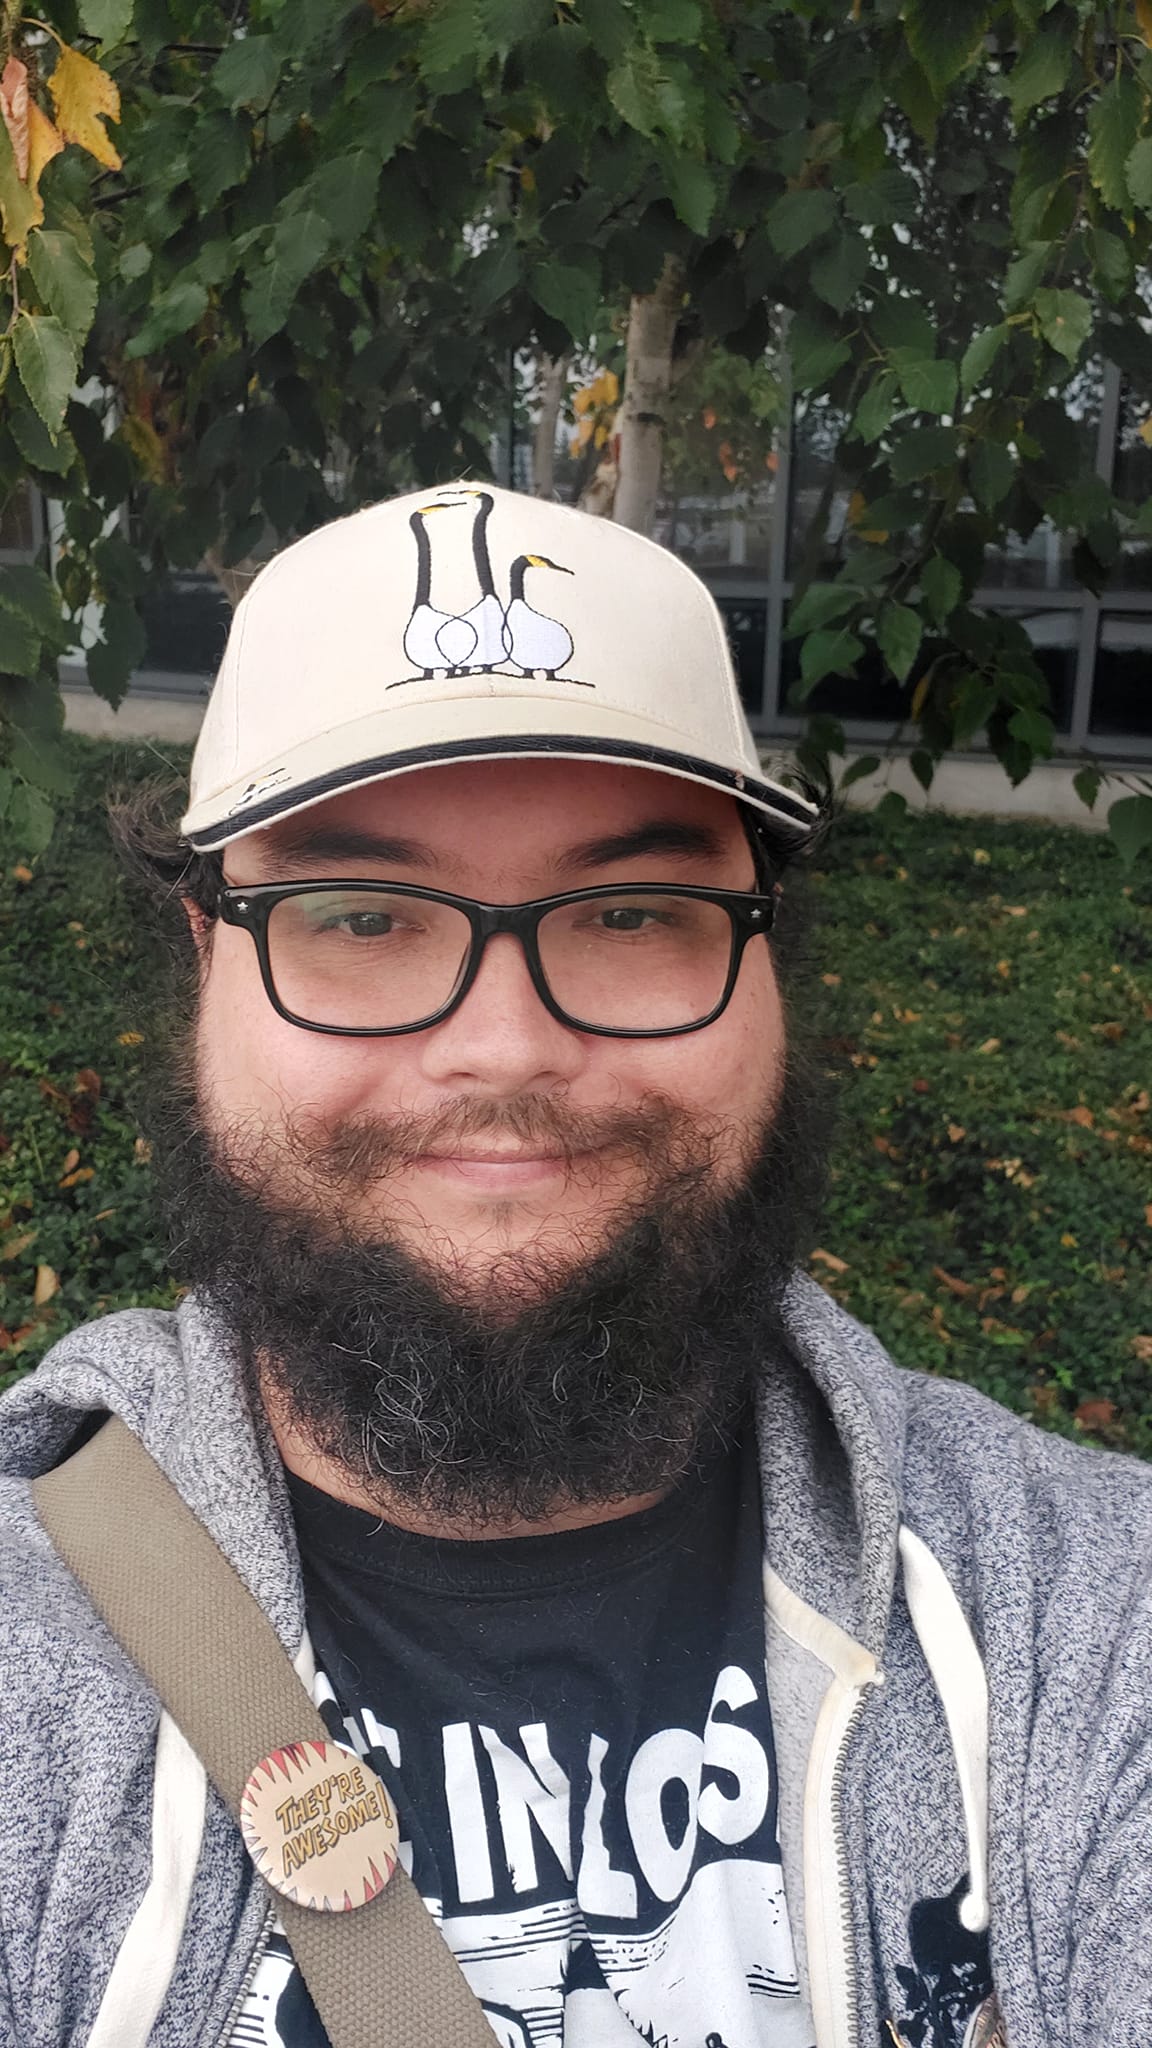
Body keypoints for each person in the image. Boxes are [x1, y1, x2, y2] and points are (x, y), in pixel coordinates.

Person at [0, 482, 1148, 2048]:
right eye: (356, 915)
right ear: (210, 963)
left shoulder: (1085, 1624)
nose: (503, 1050)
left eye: (627, 910)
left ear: (766, 957)